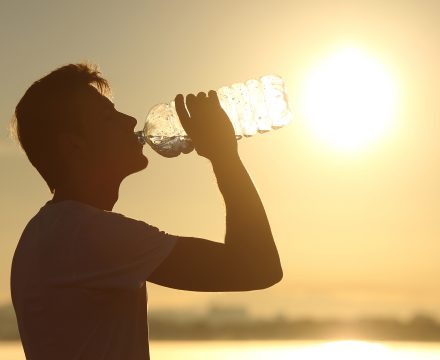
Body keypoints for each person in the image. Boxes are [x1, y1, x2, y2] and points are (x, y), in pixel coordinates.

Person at [10, 63, 283, 359]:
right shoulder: (87, 234)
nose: (129, 120)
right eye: (108, 117)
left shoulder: (45, 233)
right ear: (74, 146)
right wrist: (223, 155)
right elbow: (257, 267)